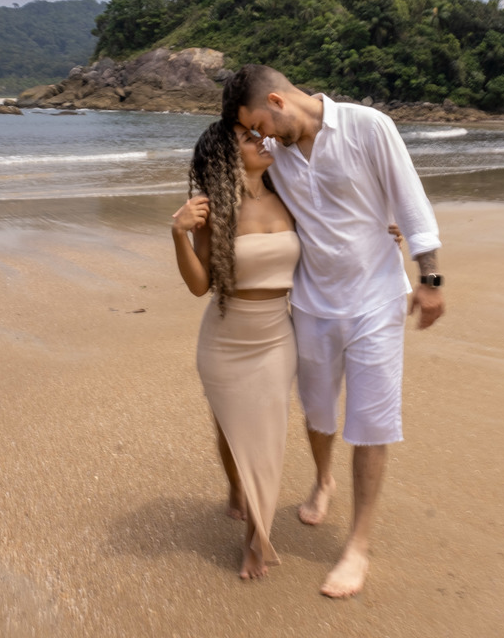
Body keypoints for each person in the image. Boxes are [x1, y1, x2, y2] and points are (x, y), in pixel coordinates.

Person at [222, 64, 446, 599]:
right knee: (318, 412)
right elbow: (249, 188)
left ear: (277, 100)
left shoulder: (369, 126)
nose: (261, 138)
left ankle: (357, 547)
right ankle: (323, 479)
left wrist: (431, 277)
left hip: (377, 300)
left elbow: (411, 202)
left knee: (371, 421)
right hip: (312, 303)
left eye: (260, 124)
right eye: (252, 133)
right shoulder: (275, 156)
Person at [171, 119, 299, 580]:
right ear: (228, 155)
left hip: (275, 336)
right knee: (229, 431)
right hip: (225, 338)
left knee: (266, 434)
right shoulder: (214, 208)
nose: (264, 143)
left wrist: (384, 233)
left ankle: (256, 539)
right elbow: (198, 285)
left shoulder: (290, 195)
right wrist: (178, 234)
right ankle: (235, 486)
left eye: (262, 137)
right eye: (250, 139)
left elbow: (333, 239)